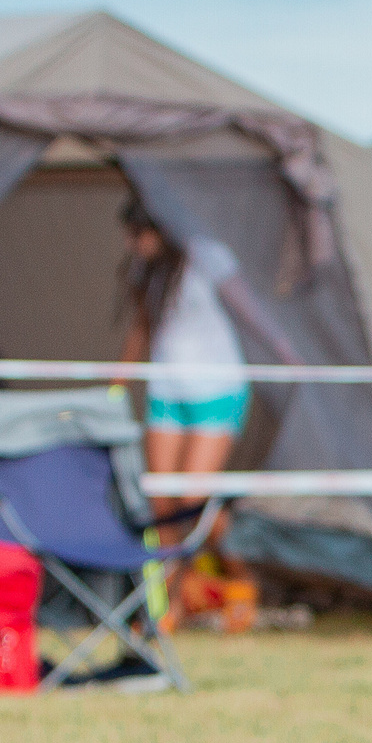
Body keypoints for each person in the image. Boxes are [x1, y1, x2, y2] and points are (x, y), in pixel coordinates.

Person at [118, 199, 250, 520]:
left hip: (216, 391)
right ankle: (171, 570)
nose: (132, 243)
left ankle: (238, 564)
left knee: (192, 502)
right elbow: (143, 326)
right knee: (160, 502)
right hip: (166, 392)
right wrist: (118, 380)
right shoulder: (143, 268)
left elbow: (250, 311)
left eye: (138, 234)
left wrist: (287, 352)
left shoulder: (206, 255)